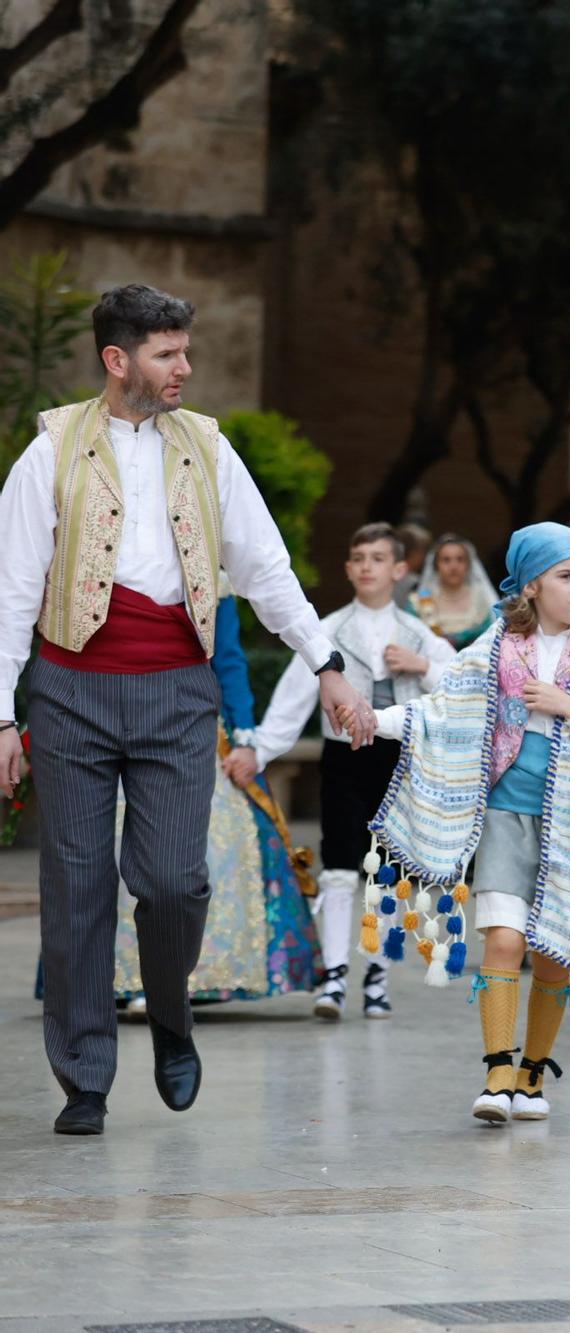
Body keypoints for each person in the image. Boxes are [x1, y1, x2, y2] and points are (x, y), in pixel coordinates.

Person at [0, 284, 365, 1137]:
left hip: (175, 690)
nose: (185, 369)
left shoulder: (208, 448)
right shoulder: (48, 453)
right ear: (117, 360)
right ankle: (85, 1075)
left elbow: (267, 569)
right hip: (70, 689)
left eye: (185, 352)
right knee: (77, 887)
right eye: (168, 354)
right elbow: (11, 594)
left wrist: (329, 665)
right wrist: (1, 718)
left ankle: (171, 1014)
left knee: (175, 881)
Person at [368, 522, 570, 1124]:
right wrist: (374, 721)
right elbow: (443, 709)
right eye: (565, 577)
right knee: (503, 937)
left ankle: (533, 1074)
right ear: (532, 585)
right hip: (504, 814)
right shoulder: (495, 646)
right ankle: (497, 1071)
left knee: (553, 955)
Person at [246, 523, 457, 1021]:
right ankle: (336, 975)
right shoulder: (326, 631)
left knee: (387, 872)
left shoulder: (418, 634)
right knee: (340, 866)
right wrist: (258, 752)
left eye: (378, 558)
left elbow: (462, 686)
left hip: (400, 761)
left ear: (399, 569)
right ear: (348, 568)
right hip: (343, 759)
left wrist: (421, 665)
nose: (367, 566)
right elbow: (293, 698)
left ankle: (378, 974)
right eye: (358, 557)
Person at [113, 580, 324, 1013]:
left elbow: (227, 659)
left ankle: (185, 979)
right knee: (120, 849)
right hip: (121, 721)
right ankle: (128, 978)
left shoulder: (212, 576)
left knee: (205, 849)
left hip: (196, 725)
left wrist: (244, 738)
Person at [410, 533, 499, 650]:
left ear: (468, 565)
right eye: (446, 560)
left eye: (460, 560)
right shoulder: (418, 601)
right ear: (436, 565)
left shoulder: (482, 599)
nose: (454, 566)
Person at [392, 522, 431, 607]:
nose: (425, 557)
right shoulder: (418, 584)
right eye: (423, 552)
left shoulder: (381, 578)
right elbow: (428, 612)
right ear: (414, 554)